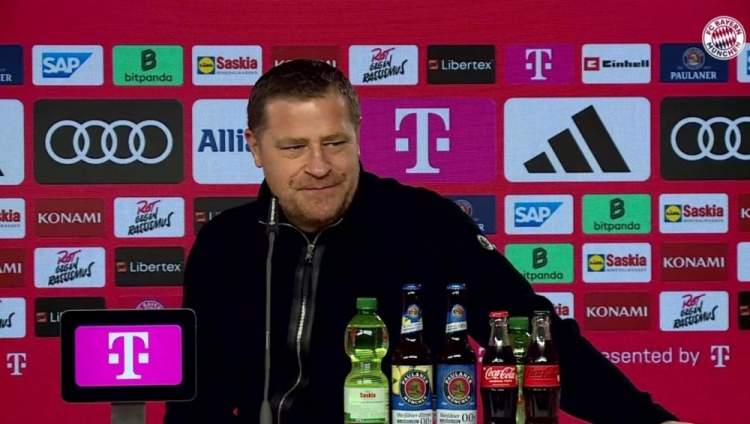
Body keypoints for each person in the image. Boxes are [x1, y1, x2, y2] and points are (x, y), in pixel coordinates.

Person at [164, 59, 689, 424]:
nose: (319, 166)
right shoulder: (223, 246)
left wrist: (648, 420)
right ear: (255, 148)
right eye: (294, 147)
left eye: (335, 143)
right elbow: (197, 401)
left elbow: (532, 336)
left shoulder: (424, 223)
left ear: (359, 135)